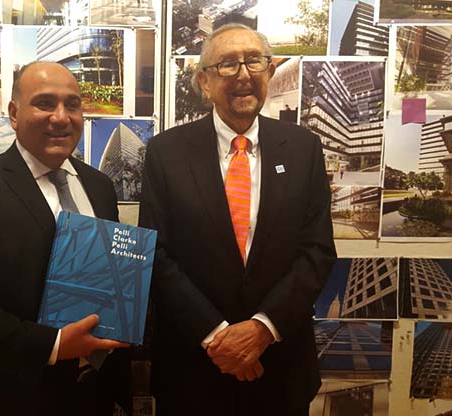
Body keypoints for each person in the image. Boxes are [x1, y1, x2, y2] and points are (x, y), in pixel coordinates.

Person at [139, 23, 336, 415]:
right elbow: (156, 254)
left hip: (279, 367)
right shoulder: (166, 152)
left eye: (254, 61)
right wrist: (219, 337)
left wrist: (262, 328)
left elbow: (316, 251)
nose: (244, 74)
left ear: (270, 72)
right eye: (228, 64)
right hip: (193, 368)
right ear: (204, 81)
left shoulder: (304, 149)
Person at [0, 61, 130, 415]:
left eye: (72, 105)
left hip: (93, 397)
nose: (61, 117)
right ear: (14, 113)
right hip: (10, 399)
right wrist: (53, 344)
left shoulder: (99, 186)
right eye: (45, 103)